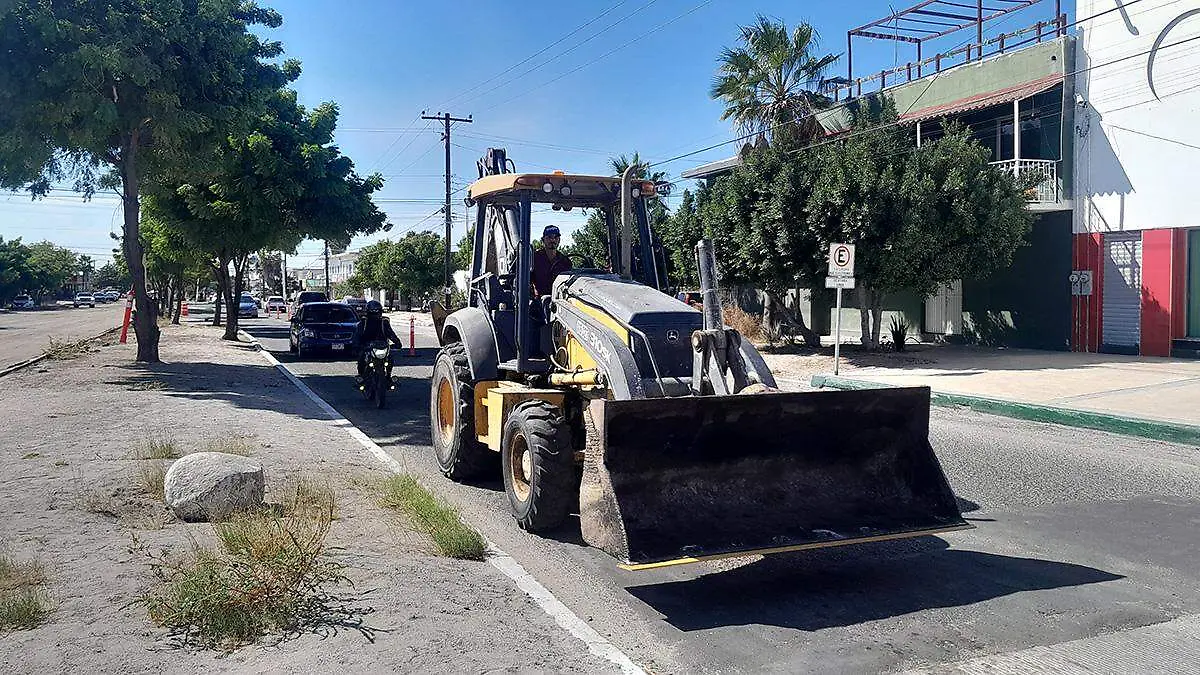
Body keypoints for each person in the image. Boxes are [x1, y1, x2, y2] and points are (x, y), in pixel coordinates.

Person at [356, 300, 402, 378]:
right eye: (372, 313)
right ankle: (361, 377)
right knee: (361, 358)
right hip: (367, 347)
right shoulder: (363, 322)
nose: (374, 315)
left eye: (376, 313)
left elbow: (391, 334)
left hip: (382, 346)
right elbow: (357, 335)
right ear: (368, 313)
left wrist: (397, 343)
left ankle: (388, 375)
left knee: (390, 358)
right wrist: (356, 345)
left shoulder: (384, 322)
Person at [531, 225, 572, 297]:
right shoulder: (534, 259)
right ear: (543, 240)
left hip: (559, 300)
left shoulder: (565, 261)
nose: (553, 240)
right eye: (549, 237)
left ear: (559, 240)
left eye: (556, 237)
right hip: (538, 301)